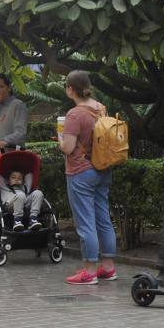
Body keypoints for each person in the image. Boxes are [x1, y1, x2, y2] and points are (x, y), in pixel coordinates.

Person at [59, 70, 117, 285]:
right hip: (102, 168)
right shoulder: (101, 108)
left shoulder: (75, 114)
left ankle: (89, 270)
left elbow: (68, 147)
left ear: (70, 89)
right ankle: (108, 267)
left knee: (85, 222)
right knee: (103, 218)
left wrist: (59, 140)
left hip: (81, 171)